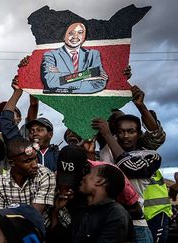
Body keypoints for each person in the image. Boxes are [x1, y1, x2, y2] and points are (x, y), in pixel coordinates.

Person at [92, 114, 169, 242]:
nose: (126, 136)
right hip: (110, 222)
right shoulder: (107, 150)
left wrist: (107, 135)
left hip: (136, 224)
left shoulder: (150, 155)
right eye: (121, 132)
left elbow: (131, 167)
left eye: (131, 131)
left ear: (139, 134)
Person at [0, 79, 59, 172]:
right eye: (31, 131)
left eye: (39, 130)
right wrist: (17, 92)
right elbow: (5, 123)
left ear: (50, 134)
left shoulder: (59, 156)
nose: (34, 133)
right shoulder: (23, 150)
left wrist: (32, 82)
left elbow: (33, 104)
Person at [0, 136, 56, 215]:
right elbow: (1, 216)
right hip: (13, 225)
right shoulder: (1, 183)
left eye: (35, 158)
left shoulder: (45, 175)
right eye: (28, 161)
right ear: (12, 163)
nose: (35, 165)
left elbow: (35, 215)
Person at [41, 22, 108, 94]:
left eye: (80, 32)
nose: (75, 36)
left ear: (84, 36)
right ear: (64, 36)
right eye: (71, 33)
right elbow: (50, 81)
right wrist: (87, 75)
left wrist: (61, 78)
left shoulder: (93, 54)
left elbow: (99, 83)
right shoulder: (51, 55)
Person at [74, 164, 133, 242]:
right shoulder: (83, 209)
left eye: (88, 173)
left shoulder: (115, 214)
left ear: (100, 181)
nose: (83, 177)